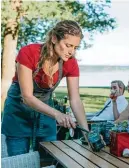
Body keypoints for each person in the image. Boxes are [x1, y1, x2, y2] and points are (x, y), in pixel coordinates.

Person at [1, 20, 89, 156]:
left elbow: (75, 100)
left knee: (49, 159)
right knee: (19, 161)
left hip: (45, 114)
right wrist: (57, 114)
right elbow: (27, 97)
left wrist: (86, 132)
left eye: (75, 47)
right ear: (54, 38)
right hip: (18, 113)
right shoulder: (29, 52)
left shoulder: (70, 63)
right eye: (68, 45)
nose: (71, 51)